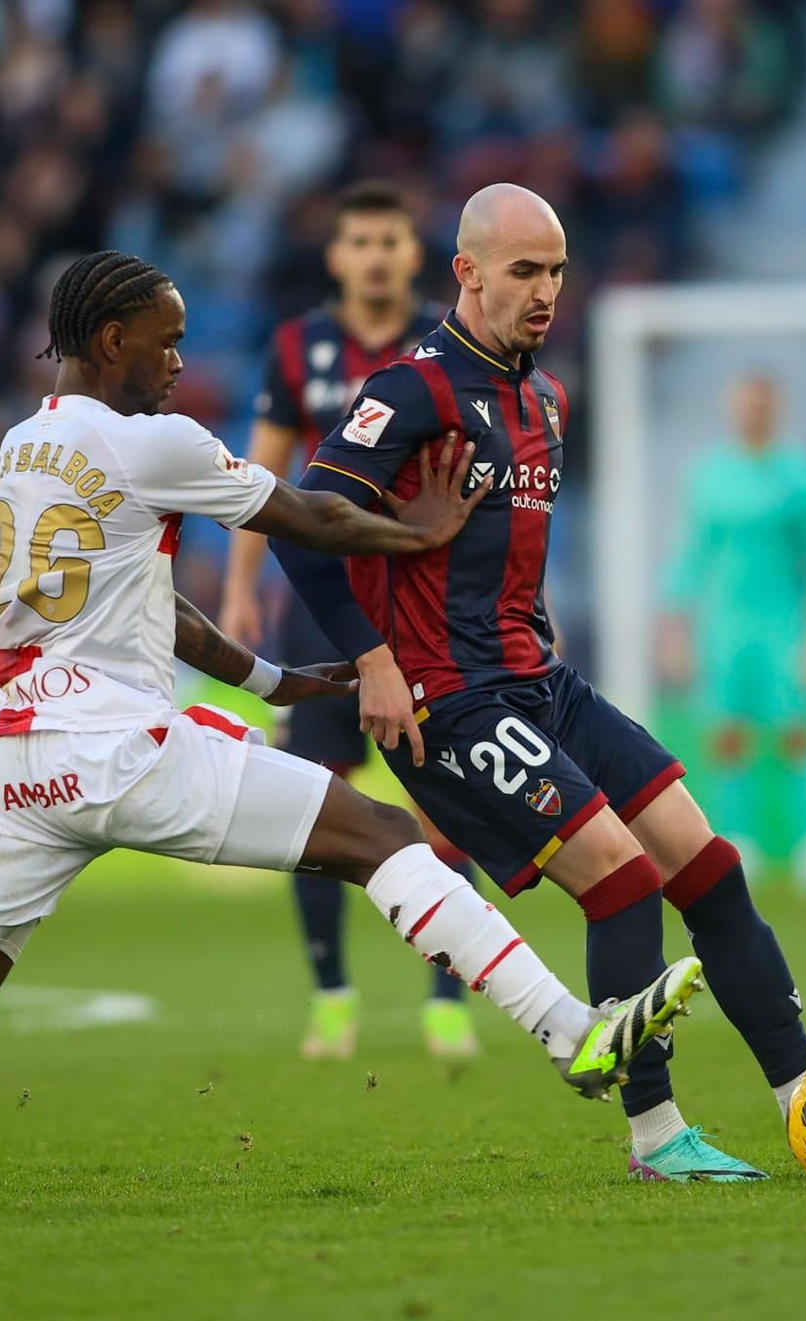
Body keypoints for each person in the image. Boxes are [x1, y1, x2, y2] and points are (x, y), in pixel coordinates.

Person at [0, 251, 702, 1207]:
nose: (175, 361)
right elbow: (306, 511)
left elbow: (150, 606)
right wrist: (417, 531)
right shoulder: (149, 439)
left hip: (18, 759)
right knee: (380, 840)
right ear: (107, 339)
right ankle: (573, 1034)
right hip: (115, 745)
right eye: (161, 341)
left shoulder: (18, 451)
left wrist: (267, 676)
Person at [271, 185, 806, 1182]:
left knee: (707, 867)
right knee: (622, 880)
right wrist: (371, 658)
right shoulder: (411, 389)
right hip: (444, 700)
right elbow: (300, 522)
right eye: (522, 271)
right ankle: (654, 1138)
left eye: (554, 271)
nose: (545, 290)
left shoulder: (546, 395)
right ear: (464, 272)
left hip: (541, 683)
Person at [219, 180, 479, 1060]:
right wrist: (240, 588)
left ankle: (448, 998)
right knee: (313, 808)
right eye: (359, 241)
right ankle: (333, 994)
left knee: (447, 807)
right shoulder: (297, 346)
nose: (374, 255)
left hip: (422, 609)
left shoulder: (447, 345)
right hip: (322, 612)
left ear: (415, 255)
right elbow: (266, 473)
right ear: (337, 257)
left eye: (390, 241)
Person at [658, 371, 806, 896]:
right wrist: (674, 626)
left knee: (799, 729)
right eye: (744, 402)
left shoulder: (803, 475)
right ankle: (740, 843)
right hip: (725, 622)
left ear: (776, 408)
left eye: (761, 403)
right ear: (731, 407)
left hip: (785, 619)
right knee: (727, 735)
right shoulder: (710, 475)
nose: (752, 411)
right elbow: (690, 553)